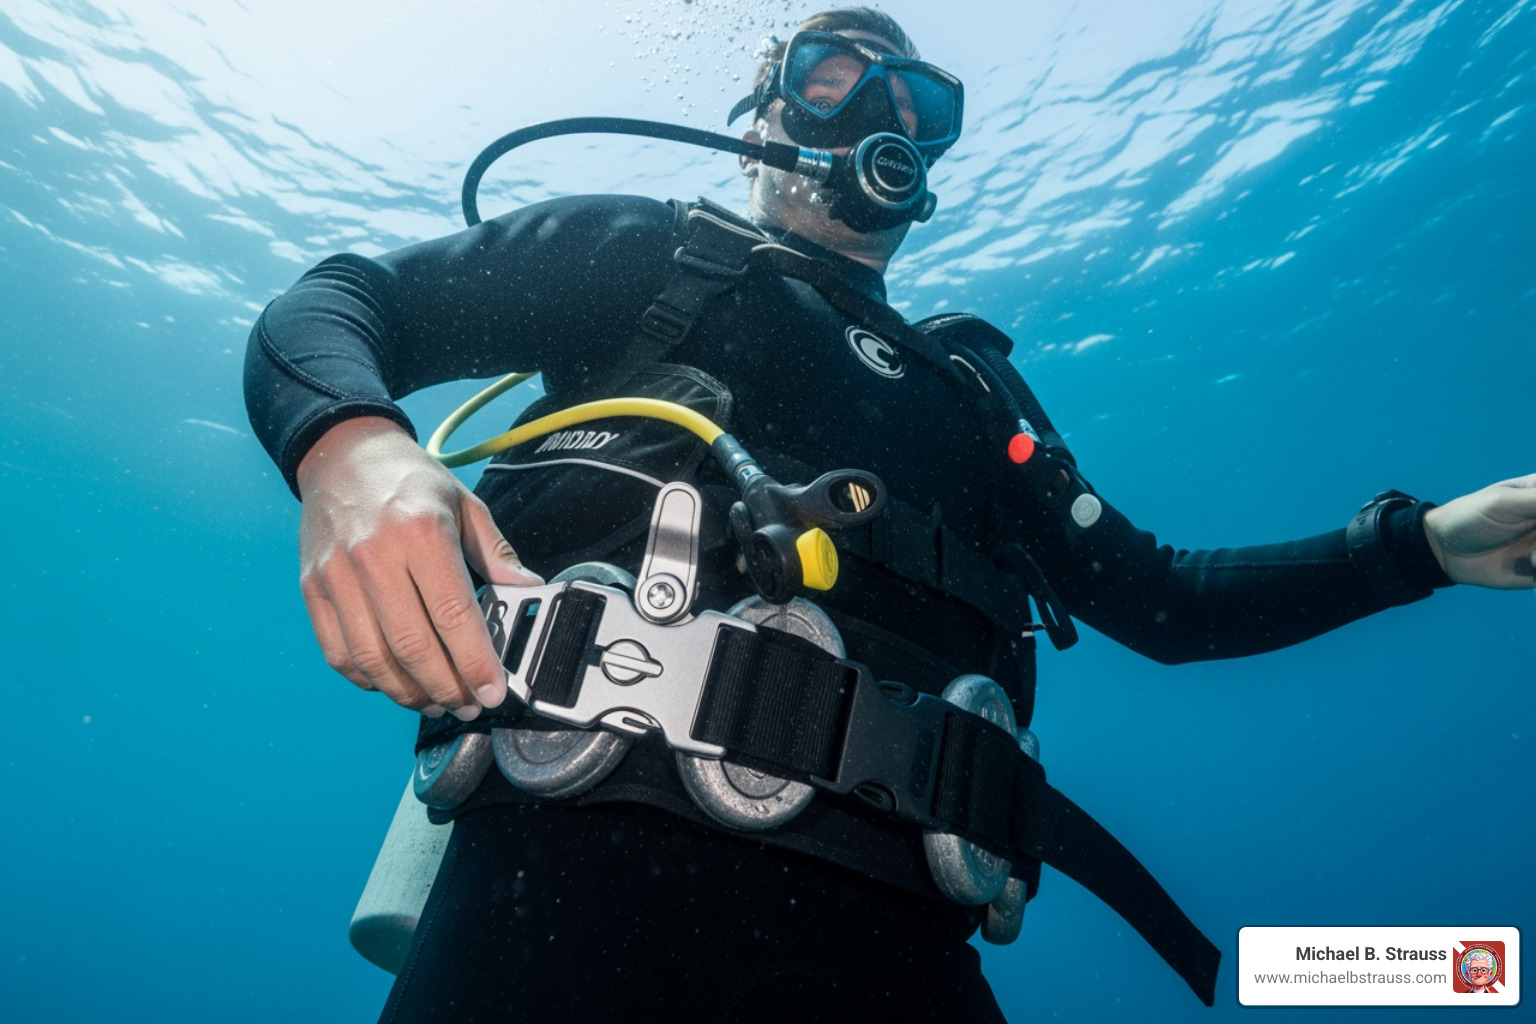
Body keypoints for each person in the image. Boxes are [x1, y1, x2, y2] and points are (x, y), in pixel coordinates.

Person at [243, 8, 1535, 1021]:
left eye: (919, 99)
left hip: (901, 950)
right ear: (763, 113)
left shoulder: (976, 398)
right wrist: (351, 451)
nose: (879, 112)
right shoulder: (652, 258)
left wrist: (1420, 545)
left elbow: (1167, 601)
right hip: (550, 907)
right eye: (830, 76)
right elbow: (341, 305)